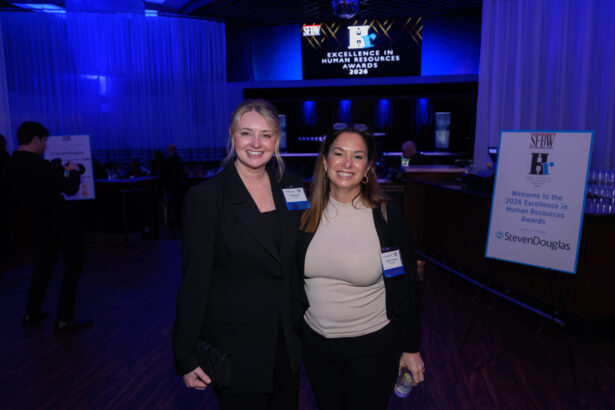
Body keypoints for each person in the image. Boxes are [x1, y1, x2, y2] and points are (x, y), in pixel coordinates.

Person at [172, 99, 306, 410]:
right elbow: (195, 280)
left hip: (287, 341)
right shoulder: (205, 198)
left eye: (267, 135)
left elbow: (301, 251)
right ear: (232, 137)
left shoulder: (293, 185)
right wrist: (185, 354)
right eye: (247, 133)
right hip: (235, 346)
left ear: (277, 140)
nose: (257, 144)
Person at [297, 127, 425, 410]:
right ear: (325, 161)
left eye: (357, 156)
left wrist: (411, 347)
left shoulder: (387, 217)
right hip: (315, 346)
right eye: (338, 154)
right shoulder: (303, 213)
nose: (346, 163)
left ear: (368, 167)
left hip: (372, 347)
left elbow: (406, 285)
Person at [1, 122, 92, 330]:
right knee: (73, 266)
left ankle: (31, 312)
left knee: (44, 266)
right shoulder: (40, 166)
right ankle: (65, 318)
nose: (45, 146)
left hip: (36, 225)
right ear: (36, 140)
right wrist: (73, 171)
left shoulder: (9, 166)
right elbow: (70, 187)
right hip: (61, 222)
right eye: (44, 141)